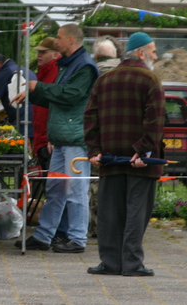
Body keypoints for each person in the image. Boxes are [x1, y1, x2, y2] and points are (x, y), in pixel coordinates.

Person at [11, 23, 99, 253]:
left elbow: (71, 96)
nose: (56, 41)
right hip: (61, 139)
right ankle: (43, 235)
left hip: (74, 140)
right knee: (56, 190)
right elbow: (59, 99)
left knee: (76, 190)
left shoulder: (84, 67)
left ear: (70, 40)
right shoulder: (69, 65)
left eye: (59, 37)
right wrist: (33, 94)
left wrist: (37, 87)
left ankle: (78, 239)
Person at [83, 31, 165, 277]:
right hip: (141, 161)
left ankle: (110, 262)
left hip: (109, 159)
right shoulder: (150, 80)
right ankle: (131, 263)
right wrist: (142, 150)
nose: (155, 56)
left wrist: (95, 150)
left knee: (109, 213)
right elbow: (155, 121)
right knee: (136, 213)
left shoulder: (104, 80)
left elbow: (90, 118)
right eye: (152, 51)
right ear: (141, 53)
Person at [87, 36, 122, 239]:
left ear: (97, 55)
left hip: (100, 137)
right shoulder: (130, 72)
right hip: (126, 139)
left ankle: (98, 227)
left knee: (96, 182)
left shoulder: (93, 74)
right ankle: (119, 227)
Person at [31, 37, 61, 170]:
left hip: (49, 140)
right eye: (38, 52)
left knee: (52, 181)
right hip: (42, 139)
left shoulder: (57, 73)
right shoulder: (43, 73)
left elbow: (56, 106)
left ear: (55, 54)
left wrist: (53, 137)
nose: (39, 55)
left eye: (43, 52)